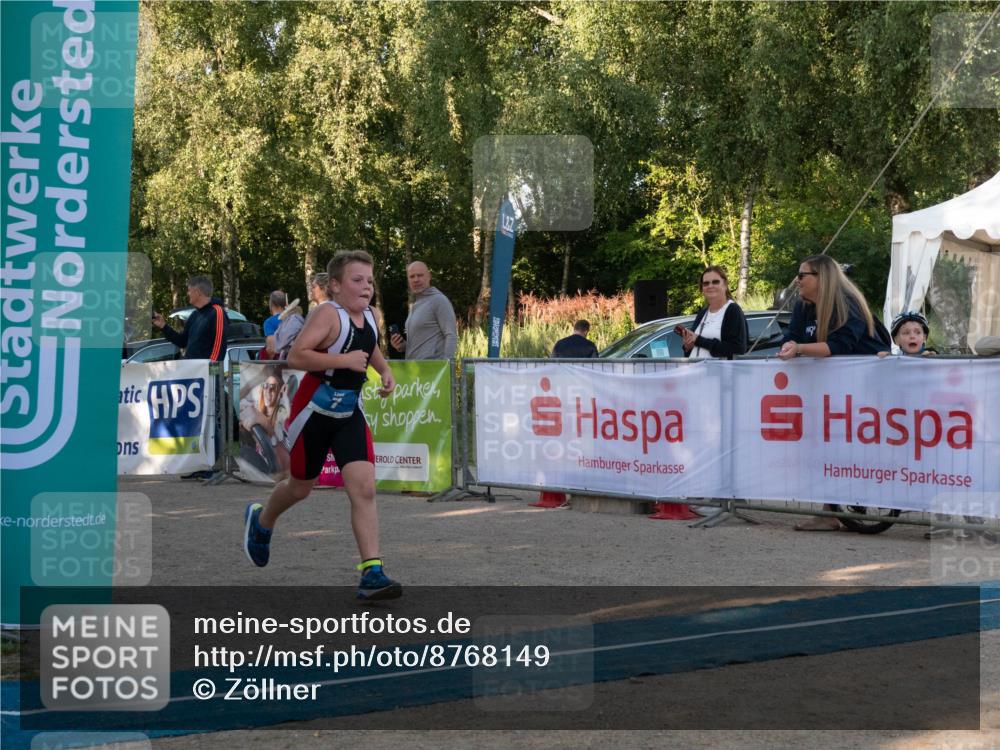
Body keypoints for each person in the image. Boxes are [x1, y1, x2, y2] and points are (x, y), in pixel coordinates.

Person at [243, 250, 401, 600]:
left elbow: (370, 346)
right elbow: (298, 356)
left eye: (370, 281)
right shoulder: (327, 315)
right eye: (357, 281)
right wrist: (341, 359)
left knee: (364, 487)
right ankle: (262, 520)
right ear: (335, 285)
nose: (366, 288)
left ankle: (371, 572)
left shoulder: (371, 315)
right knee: (300, 486)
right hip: (312, 413)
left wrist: (385, 371)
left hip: (348, 415)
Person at [777, 255, 889, 531]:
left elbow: (838, 345)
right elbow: (791, 336)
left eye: (802, 275)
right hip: (831, 390)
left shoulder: (847, 303)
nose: (797, 280)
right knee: (826, 445)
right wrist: (790, 345)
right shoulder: (804, 306)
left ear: (821, 277)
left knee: (851, 446)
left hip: (868, 388)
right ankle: (828, 511)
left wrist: (800, 348)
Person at [389, 261, 457, 360]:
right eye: (412, 276)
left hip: (433, 372)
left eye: (420, 275)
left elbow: (451, 335)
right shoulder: (416, 304)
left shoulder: (439, 300)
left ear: (429, 276)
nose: (416, 279)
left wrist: (445, 367)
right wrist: (401, 346)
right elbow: (418, 346)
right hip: (416, 371)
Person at [152, 275, 228, 361]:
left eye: (189, 290)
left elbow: (219, 347)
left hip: (206, 372)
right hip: (192, 370)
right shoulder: (194, 315)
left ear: (198, 292)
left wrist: (210, 372)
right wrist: (163, 326)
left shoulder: (217, 312)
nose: (188, 294)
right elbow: (182, 342)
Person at [680, 266, 748, 359]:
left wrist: (699, 340)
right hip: (696, 371)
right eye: (706, 283)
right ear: (702, 288)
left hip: (719, 372)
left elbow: (738, 350)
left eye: (715, 282)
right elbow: (695, 350)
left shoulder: (733, 310)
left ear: (725, 284)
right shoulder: (702, 313)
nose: (710, 286)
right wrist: (688, 347)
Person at [239, 366, 291, 478]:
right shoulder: (256, 410)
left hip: (275, 470)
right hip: (262, 466)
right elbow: (236, 399)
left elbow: (287, 463)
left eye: (272, 387)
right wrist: (258, 379)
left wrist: (266, 424)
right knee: (244, 450)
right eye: (265, 386)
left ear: (281, 392)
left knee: (245, 452)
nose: (268, 391)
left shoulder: (284, 417)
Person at [263, 291, 287, 358]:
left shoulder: (269, 322)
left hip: (280, 363)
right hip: (297, 363)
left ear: (272, 304)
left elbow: (272, 349)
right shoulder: (294, 319)